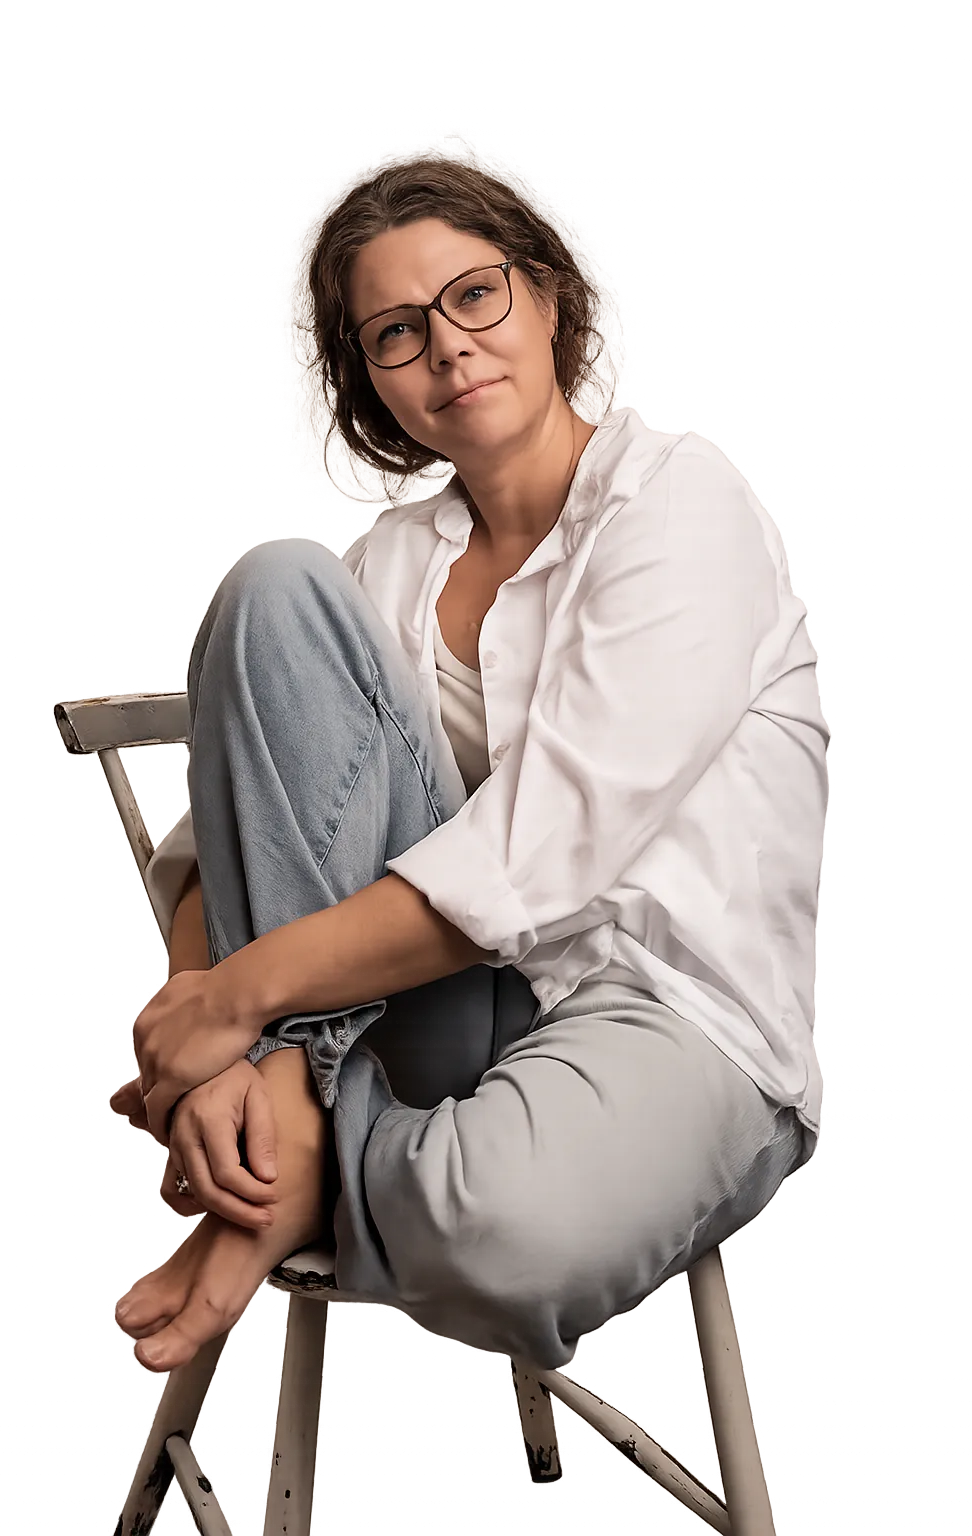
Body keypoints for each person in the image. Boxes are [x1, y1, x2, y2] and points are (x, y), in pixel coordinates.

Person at [108, 158, 830, 1378]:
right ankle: (292, 1118)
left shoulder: (678, 506)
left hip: (666, 1012)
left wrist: (232, 1011)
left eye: (474, 296)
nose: (446, 346)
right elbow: (237, 831)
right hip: (441, 1009)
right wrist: (217, 1050)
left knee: (501, 1239)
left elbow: (541, 850)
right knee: (272, 588)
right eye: (396, 331)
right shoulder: (387, 565)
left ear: (544, 296)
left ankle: (296, 1165)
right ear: (369, 377)